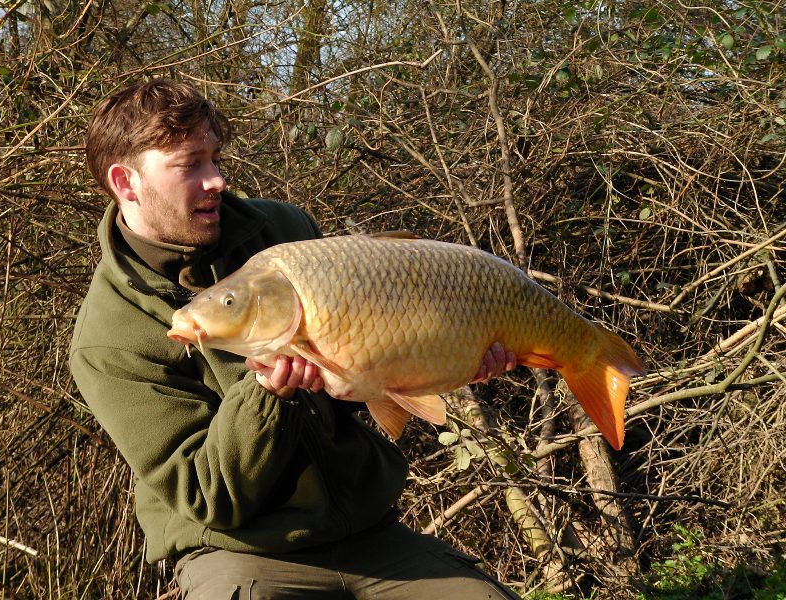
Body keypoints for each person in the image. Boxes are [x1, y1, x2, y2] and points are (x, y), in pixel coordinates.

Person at [70, 79, 520, 599]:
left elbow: (363, 373)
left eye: (215, 158)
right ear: (126, 183)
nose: (216, 179)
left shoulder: (282, 229)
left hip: (369, 536)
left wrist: (452, 355)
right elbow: (207, 495)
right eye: (190, 164)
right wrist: (267, 394)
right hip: (239, 553)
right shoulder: (108, 338)